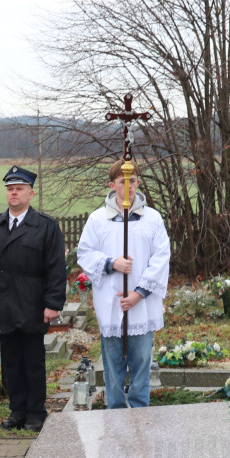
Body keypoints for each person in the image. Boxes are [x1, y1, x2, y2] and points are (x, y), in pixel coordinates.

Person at [0, 166, 66, 432]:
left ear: (30, 193)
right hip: (4, 303)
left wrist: (53, 303)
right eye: (10, 189)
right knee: (11, 362)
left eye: (19, 189)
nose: (14, 193)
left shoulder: (46, 226)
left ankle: (36, 413)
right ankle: (17, 411)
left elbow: (55, 268)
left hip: (33, 303)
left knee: (33, 362)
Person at [76, 159, 170, 408]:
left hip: (141, 305)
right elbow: (84, 253)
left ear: (138, 183)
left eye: (132, 181)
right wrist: (112, 263)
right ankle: (115, 413)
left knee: (141, 366)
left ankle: (140, 413)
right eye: (122, 182)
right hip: (111, 303)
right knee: (113, 367)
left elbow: (161, 258)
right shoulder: (98, 219)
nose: (128, 187)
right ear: (112, 185)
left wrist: (139, 293)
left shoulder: (152, 218)